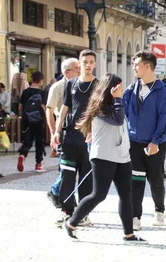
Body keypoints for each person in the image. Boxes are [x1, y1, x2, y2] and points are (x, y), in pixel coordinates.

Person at [62, 74, 144, 242]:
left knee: (125, 194)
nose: (121, 90)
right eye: (118, 87)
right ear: (110, 89)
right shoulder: (100, 106)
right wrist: (118, 99)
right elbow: (118, 119)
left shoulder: (116, 103)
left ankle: (129, 233)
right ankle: (71, 222)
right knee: (99, 194)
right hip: (104, 156)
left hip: (122, 155)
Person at [123, 51, 166, 229]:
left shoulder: (162, 92)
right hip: (134, 144)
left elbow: (165, 118)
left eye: (137, 64)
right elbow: (123, 115)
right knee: (135, 182)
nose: (134, 67)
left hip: (154, 144)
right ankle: (135, 217)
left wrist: (156, 141)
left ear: (147, 66)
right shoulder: (130, 90)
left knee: (156, 180)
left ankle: (159, 210)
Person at [51, 50, 98, 226]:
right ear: (80, 63)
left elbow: (101, 112)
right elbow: (65, 108)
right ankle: (67, 211)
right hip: (70, 138)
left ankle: (83, 214)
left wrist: (95, 131)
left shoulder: (99, 86)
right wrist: (57, 131)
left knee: (86, 179)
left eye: (91, 62)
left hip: (89, 140)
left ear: (94, 64)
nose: (88, 65)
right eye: (85, 61)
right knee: (67, 176)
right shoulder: (71, 84)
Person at [45, 58, 80, 208]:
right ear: (66, 72)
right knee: (66, 166)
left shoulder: (82, 84)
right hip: (64, 129)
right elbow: (50, 109)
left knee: (77, 165)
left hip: (79, 129)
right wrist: (54, 132)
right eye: (77, 69)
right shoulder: (58, 87)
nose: (80, 71)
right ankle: (57, 192)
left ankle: (59, 192)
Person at [17, 71, 46, 173]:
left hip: (27, 120)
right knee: (39, 142)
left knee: (27, 140)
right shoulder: (42, 93)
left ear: (32, 79)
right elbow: (44, 107)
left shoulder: (25, 92)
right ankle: (38, 164)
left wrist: (22, 116)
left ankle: (22, 155)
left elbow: (20, 107)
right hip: (39, 121)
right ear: (41, 81)